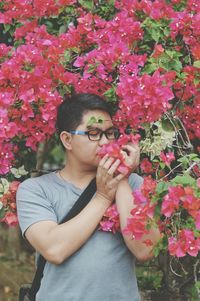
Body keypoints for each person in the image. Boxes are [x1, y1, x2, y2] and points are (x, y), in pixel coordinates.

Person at [16, 93, 160, 301]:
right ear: (67, 139)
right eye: (93, 133)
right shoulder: (35, 190)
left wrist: (121, 178)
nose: (105, 142)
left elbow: (146, 248)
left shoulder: (132, 183)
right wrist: (102, 198)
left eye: (110, 133)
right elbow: (54, 249)